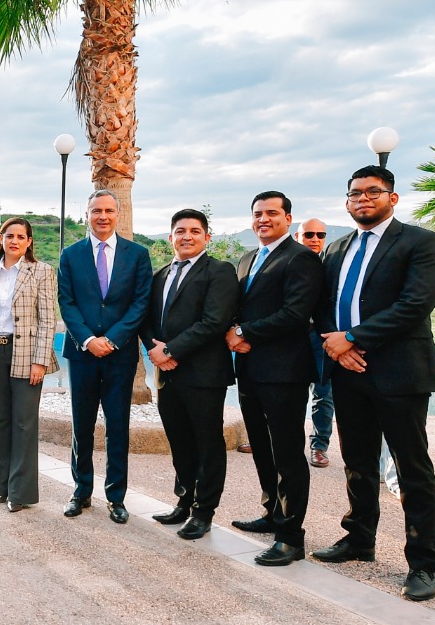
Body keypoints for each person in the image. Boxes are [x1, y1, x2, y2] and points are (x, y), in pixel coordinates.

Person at [313, 165, 435, 601]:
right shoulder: (336, 248)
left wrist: (353, 338)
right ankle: (359, 538)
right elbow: (322, 305)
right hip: (347, 371)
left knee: (412, 469)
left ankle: (423, 563)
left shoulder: (420, 242)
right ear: (347, 201)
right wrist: (337, 346)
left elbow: (415, 303)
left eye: (373, 191)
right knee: (357, 460)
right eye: (355, 193)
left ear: (393, 197)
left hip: (399, 371)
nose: (363, 199)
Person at [226, 191, 322, 567]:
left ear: (288, 218)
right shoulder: (248, 258)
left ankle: (290, 536)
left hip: (284, 372)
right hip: (250, 369)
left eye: (271, 213)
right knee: (262, 448)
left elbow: (295, 313)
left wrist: (244, 332)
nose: (263, 219)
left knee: (287, 452)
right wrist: (234, 330)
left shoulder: (301, 258)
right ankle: (271, 513)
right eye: (257, 214)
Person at [139, 209, 237, 540]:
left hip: (203, 375)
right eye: (180, 231)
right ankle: (184, 501)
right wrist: (155, 351)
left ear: (207, 237)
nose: (187, 236)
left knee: (207, 444)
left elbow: (214, 321)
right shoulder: (160, 275)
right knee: (179, 441)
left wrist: (170, 351)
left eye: (195, 231)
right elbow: (146, 320)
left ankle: (203, 512)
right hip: (167, 375)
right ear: (171, 237)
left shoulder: (220, 271)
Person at [57, 189, 153, 524]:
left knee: (118, 427)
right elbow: (67, 302)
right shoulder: (71, 255)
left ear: (117, 214)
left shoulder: (137, 255)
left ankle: (116, 497)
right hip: (82, 354)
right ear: (87, 214)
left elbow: (140, 303)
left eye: (109, 210)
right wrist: (88, 339)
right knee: (81, 426)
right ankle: (81, 492)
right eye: (96, 210)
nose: (102, 216)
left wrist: (112, 339)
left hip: (119, 355)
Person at [0, 217, 58, 513]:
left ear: (29, 241)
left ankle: (19, 493)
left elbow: (48, 319)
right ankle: (1, 487)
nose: (14, 241)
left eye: (20, 237)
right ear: (1, 238)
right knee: (0, 420)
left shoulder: (41, 271)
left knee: (24, 422)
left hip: (26, 352)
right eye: (9, 235)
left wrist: (40, 361)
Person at [294, 217, 335, 468]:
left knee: (323, 393)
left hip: (322, 337)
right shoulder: (287, 263)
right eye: (309, 234)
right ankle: (275, 438)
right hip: (292, 337)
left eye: (320, 235)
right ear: (297, 236)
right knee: (286, 391)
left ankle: (319, 446)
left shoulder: (331, 266)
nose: (315, 239)